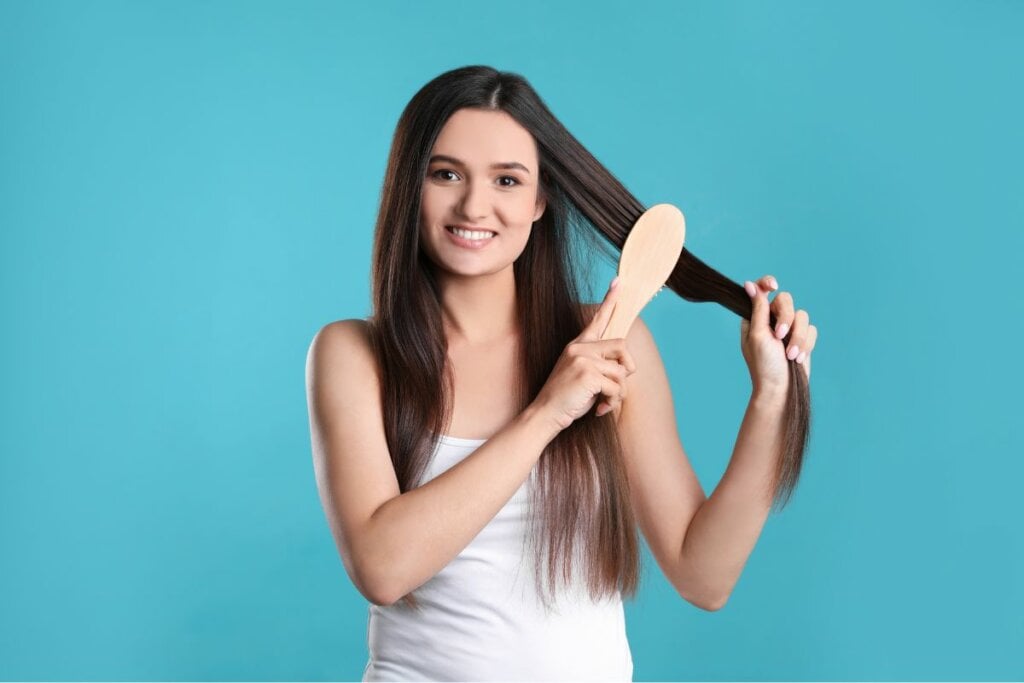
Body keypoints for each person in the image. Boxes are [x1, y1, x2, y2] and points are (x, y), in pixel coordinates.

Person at [305, 65, 817, 681]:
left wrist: (771, 399)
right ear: (408, 186)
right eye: (445, 174)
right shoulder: (354, 354)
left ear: (540, 199)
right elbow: (382, 568)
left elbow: (703, 576)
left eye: (507, 180)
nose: (474, 205)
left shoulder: (610, 343)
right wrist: (547, 411)